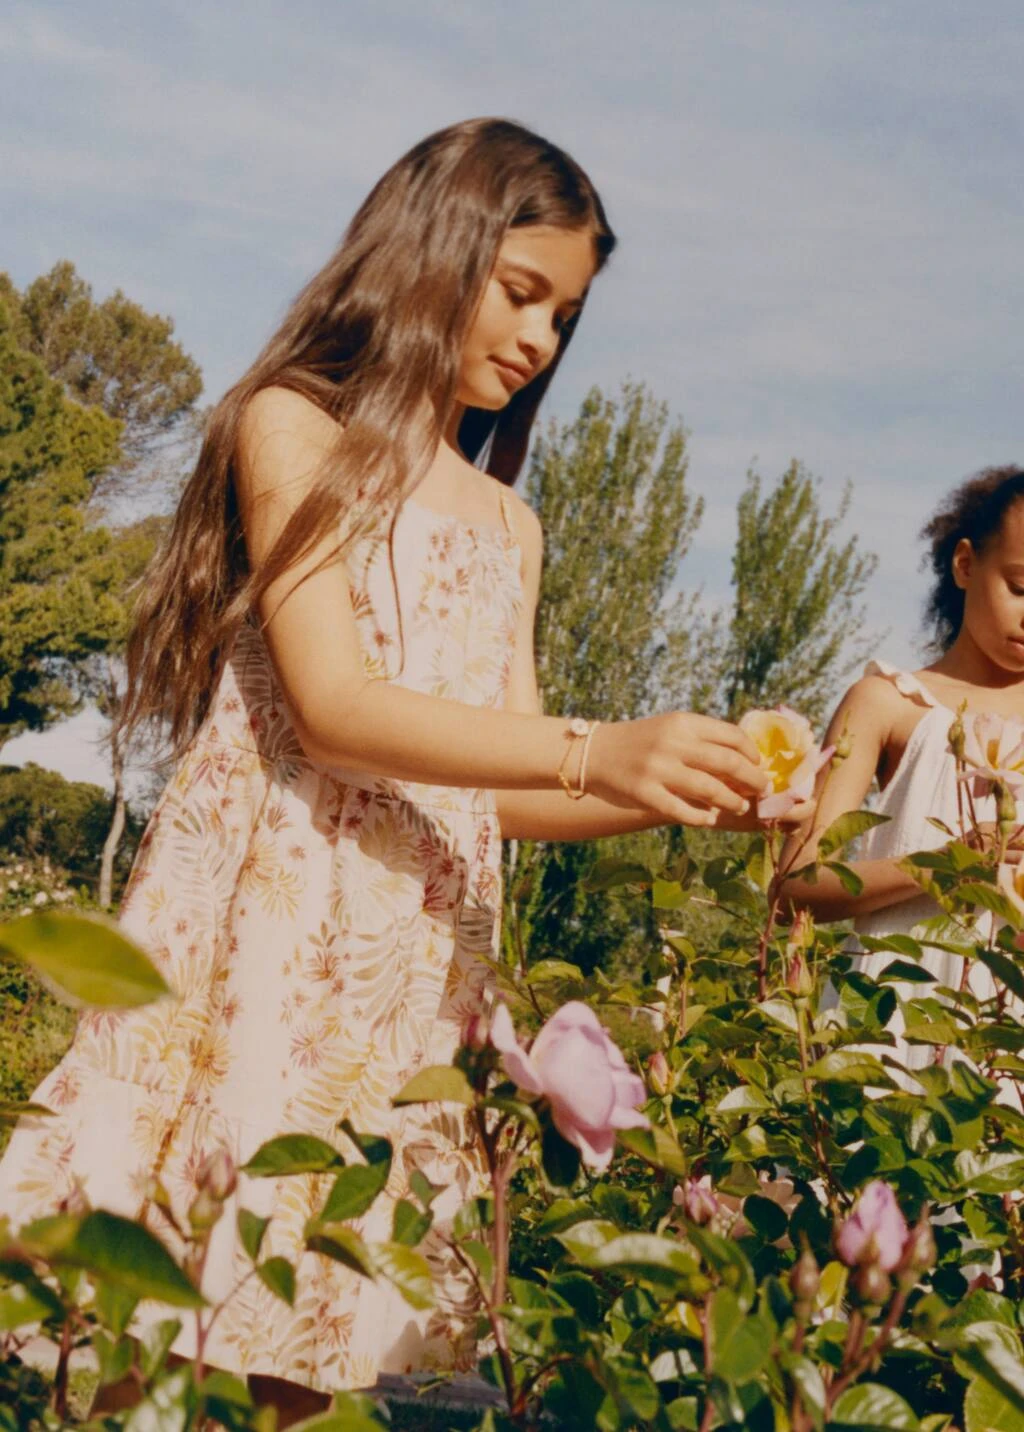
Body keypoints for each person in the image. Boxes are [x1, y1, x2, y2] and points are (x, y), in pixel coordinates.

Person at [0, 119, 779, 1421]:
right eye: (519, 292)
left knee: (322, 1328)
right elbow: (335, 709)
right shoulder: (292, 429)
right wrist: (601, 746)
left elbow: (504, 788)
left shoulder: (511, 522)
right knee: (168, 1306)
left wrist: (667, 786)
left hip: (410, 958)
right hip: (271, 921)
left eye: (564, 317)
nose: (539, 339)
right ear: (432, 253)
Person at [783, 464, 1024, 1078]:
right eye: (1021, 587)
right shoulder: (888, 704)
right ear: (965, 565)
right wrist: (947, 864)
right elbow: (795, 887)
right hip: (892, 1022)